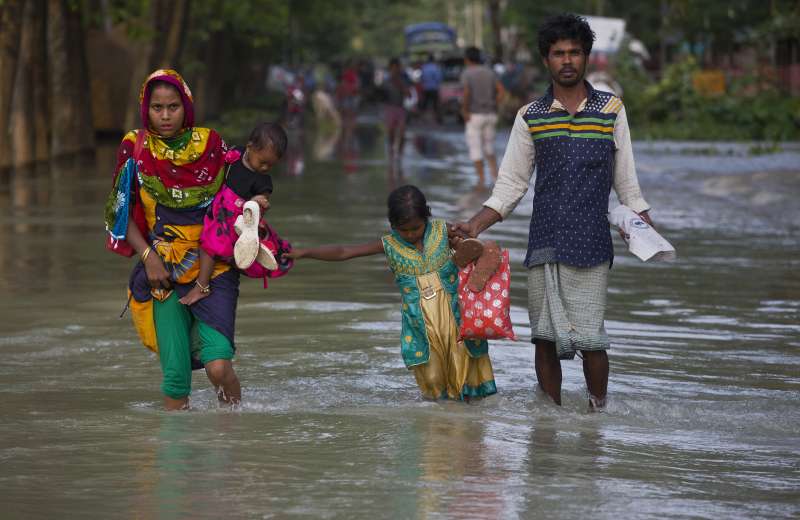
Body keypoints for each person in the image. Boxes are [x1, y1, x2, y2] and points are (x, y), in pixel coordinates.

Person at [452, 14, 653, 410]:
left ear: (586, 57)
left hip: (593, 246)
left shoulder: (611, 110)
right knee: (543, 338)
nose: (567, 60)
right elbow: (511, 184)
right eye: (558, 53)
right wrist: (474, 224)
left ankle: (597, 416)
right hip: (545, 243)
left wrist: (641, 218)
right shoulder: (531, 116)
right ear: (546, 59)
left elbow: (626, 180)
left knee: (593, 340)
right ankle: (550, 419)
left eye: (574, 52)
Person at [103, 69, 242, 410]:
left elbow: (235, 198)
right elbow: (119, 212)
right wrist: (149, 256)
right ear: (145, 109)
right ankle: (175, 458)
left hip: (216, 270)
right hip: (162, 271)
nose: (165, 116)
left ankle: (234, 436)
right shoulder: (134, 147)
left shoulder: (211, 144)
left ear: (187, 107)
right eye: (157, 108)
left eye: (173, 107)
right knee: (175, 380)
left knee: (219, 366)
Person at [285, 185, 497, 401]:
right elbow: (344, 251)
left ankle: (466, 427)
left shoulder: (444, 232)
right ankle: (439, 425)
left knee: (464, 375)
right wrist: (304, 253)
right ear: (392, 225)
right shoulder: (389, 245)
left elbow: (477, 249)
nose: (410, 234)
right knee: (433, 380)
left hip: (456, 320)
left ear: (427, 217)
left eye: (416, 228)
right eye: (402, 229)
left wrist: (462, 245)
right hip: (421, 326)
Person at [178, 122, 289, 307]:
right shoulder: (233, 155)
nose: (265, 168)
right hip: (215, 206)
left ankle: (202, 286)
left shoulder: (263, 181)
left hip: (235, 219)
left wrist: (258, 201)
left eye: (270, 165)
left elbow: (261, 200)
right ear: (249, 147)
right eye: (262, 162)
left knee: (210, 245)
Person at [460, 46, 505, 190]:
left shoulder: (467, 73)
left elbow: (466, 93)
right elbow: (501, 91)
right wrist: (494, 105)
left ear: (467, 59)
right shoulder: (489, 72)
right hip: (490, 115)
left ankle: (481, 181)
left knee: (475, 148)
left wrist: (464, 110)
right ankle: (495, 178)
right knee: (489, 148)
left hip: (475, 115)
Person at [383, 57, 410, 164]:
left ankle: (400, 154)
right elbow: (381, 95)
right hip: (389, 108)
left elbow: (408, 94)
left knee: (402, 132)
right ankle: (391, 151)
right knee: (391, 132)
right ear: (390, 68)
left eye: (397, 67)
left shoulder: (404, 79)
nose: (395, 70)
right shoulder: (386, 80)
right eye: (393, 68)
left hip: (401, 108)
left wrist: (400, 84)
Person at [419, 54, 443, 124]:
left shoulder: (424, 67)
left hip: (426, 88)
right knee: (436, 104)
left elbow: (422, 78)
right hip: (434, 88)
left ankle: (422, 119)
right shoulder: (436, 67)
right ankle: (438, 118)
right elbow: (439, 78)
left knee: (424, 104)